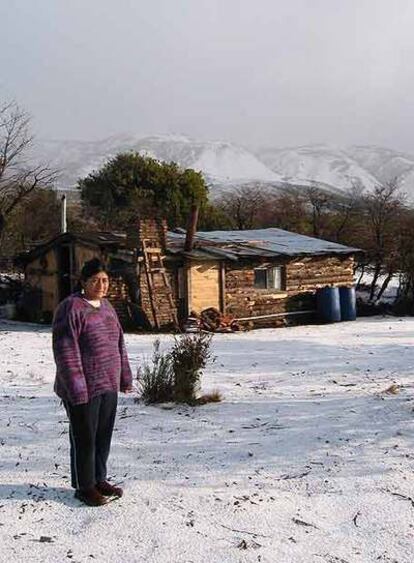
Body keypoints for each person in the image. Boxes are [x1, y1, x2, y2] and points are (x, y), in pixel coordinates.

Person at [52, 258, 133, 507]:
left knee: (102, 436)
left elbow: (118, 343)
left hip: (107, 384)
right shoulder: (71, 308)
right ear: (83, 282)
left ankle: (99, 478)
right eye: (95, 280)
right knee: (84, 437)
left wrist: (124, 376)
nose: (101, 284)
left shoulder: (107, 307)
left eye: (105, 280)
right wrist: (76, 388)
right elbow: (65, 351)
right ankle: (84, 486)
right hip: (82, 387)